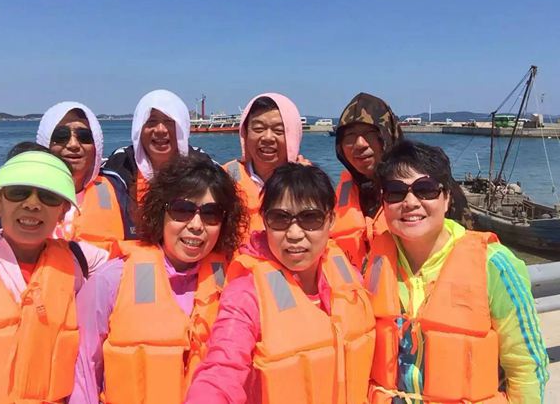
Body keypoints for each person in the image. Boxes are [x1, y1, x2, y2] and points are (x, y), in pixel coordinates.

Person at [364, 140, 549, 403]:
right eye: (396, 192)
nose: (410, 202)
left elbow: (526, 365)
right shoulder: (373, 261)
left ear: (447, 197)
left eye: (425, 189)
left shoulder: (493, 264)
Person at [186, 163, 376, 404]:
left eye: (310, 218)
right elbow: (221, 370)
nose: (294, 234)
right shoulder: (246, 294)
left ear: (331, 220)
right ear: (264, 222)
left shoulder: (349, 276)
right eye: (280, 219)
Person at [69, 155, 247, 404]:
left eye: (211, 214)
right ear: (159, 212)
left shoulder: (235, 285)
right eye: (182, 210)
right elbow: (83, 373)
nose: (196, 225)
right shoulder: (111, 281)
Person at [0, 151, 84, 402]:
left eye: (49, 196)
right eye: (18, 192)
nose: (32, 204)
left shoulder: (80, 262)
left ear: (62, 212)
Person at [0, 102, 135, 255]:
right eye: (61, 136)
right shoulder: (10, 195)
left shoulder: (115, 186)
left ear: (96, 145)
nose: (73, 144)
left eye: (84, 137)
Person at [331, 92, 403, 269]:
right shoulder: (339, 194)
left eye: (370, 133)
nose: (360, 144)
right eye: (350, 136)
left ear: (388, 135)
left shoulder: (423, 188)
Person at [104, 89, 209, 203]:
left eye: (169, 121)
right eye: (151, 121)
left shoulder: (202, 164)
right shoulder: (121, 163)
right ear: (139, 128)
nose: (160, 130)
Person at [223, 93, 305, 234]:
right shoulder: (224, 177)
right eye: (258, 129)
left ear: (293, 135)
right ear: (245, 133)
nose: (268, 138)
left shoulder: (310, 182)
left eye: (279, 130)